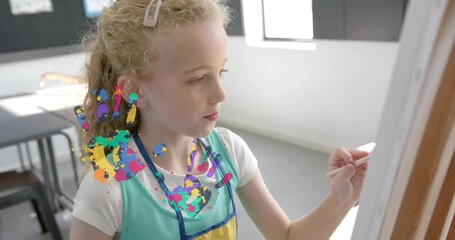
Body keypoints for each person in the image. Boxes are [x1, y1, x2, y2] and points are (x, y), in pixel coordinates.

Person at [69, 0, 369, 239]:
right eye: (198, 79)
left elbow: (287, 236)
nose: (220, 93)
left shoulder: (228, 151)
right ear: (135, 90)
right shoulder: (107, 189)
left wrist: (342, 198)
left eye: (220, 72)